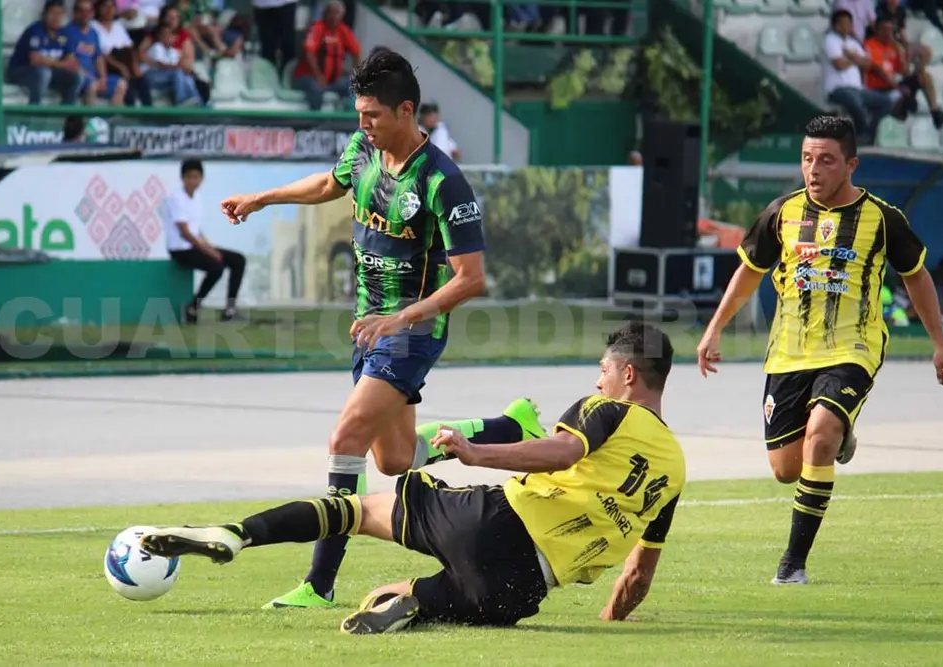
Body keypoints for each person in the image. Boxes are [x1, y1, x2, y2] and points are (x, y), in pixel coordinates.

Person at [217, 49, 547, 610]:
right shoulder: (363, 148)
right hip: (370, 326)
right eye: (359, 114)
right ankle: (508, 426)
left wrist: (402, 317)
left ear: (406, 110)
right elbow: (330, 183)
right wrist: (262, 198)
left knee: (344, 440)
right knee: (393, 460)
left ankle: (319, 584)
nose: (363, 123)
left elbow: (471, 279)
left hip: (411, 331)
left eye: (372, 115)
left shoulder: (443, 181)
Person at [140, 322, 685, 634]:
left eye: (604, 370)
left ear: (627, 373)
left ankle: (237, 533)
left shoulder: (607, 410)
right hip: (519, 591)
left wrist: (476, 453)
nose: (598, 378)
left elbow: (562, 452)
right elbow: (638, 574)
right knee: (393, 595)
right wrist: (609, 622)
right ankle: (414, 600)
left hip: (494, 523)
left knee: (354, 511)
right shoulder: (676, 469)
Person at [696, 115, 943, 586]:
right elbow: (750, 271)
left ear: (851, 164)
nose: (813, 170)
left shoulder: (882, 219)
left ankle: (792, 564)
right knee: (786, 469)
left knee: (820, 434)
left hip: (853, 348)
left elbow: (916, 276)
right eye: (806, 159)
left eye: (826, 160)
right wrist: (715, 329)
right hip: (789, 353)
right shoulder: (781, 213)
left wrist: (940, 345)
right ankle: (839, 431)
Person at [164, 159, 245, 323]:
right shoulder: (176, 198)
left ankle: (230, 309)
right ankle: (193, 307)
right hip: (181, 250)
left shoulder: (197, 198)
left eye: (196, 177)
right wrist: (209, 251)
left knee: (238, 260)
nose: (192, 181)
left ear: (201, 178)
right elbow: (185, 233)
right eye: (189, 177)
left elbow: (197, 230)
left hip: (195, 246)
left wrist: (209, 246)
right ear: (182, 178)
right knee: (216, 267)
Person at [864, 17, 943, 128]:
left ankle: (935, 114)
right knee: (903, 93)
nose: (887, 33)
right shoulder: (870, 45)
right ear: (877, 30)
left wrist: (901, 53)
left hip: (894, 84)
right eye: (884, 29)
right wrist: (898, 87)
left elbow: (905, 72)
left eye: (890, 30)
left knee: (924, 77)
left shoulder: (893, 47)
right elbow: (878, 70)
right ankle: (905, 105)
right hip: (879, 88)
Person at [822, 10, 893, 146]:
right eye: (843, 23)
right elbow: (839, 65)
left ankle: (869, 135)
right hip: (837, 89)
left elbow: (868, 64)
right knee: (854, 101)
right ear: (836, 25)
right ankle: (861, 134)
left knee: (886, 102)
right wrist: (855, 59)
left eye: (849, 23)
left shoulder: (853, 43)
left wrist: (850, 57)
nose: (847, 26)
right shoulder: (830, 40)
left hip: (857, 89)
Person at [6, 0, 84, 105]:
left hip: (49, 73)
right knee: (44, 73)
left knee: (77, 77)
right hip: (21, 72)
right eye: (53, 13)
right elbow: (35, 60)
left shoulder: (63, 34)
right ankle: (35, 108)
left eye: (60, 14)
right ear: (44, 14)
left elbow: (69, 56)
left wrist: (71, 64)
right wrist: (61, 64)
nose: (56, 17)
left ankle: (67, 111)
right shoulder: (36, 30)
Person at [292, 0, 361, 111]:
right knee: (316, 87)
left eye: (336, 13)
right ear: (324, 13)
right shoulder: (317, 28)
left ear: (342, 15)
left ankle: (351, 116)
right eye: (330, 12)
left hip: (332, 80)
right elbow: (309, 53)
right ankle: (316, 119)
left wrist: (356, 74)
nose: (333, 16)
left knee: (355, 85)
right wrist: (319, 75)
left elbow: (356, 52)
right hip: (308, 77)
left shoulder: (343, 30)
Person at [64, 0, 127, 106]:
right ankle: (89, 116)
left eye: (88, 11)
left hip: (94, 77)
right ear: (75, 13)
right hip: (79, 77)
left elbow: (99, 58)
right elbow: (69, 58)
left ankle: (113, 116)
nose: (85, 14)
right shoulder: (67, 31)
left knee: (121, 84)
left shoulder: (93, 32)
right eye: (81, 11)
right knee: (92, 85)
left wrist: (103, 77)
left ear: (92, 13)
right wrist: (88, 76)